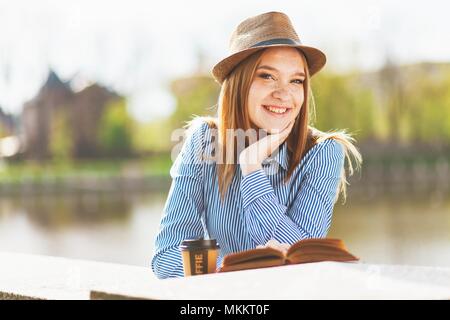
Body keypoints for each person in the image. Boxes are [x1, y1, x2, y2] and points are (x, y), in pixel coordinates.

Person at [151, 11, 362, 279]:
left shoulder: (323, 152)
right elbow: (167, 256)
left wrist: (252, 168)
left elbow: (300, 256)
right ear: (239, 84)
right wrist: (231, 267)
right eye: (267, 76)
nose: (284, 93)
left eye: (296, 80)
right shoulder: (204, 141)